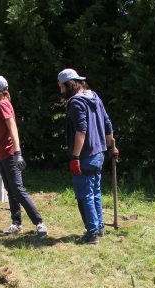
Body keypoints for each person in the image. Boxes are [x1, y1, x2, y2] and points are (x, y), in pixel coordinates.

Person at [0, 74, 47, 238]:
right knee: (11, 190)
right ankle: (16, 223)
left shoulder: (3, 104)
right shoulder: (1, 104)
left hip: (9, 154)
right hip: (1, 154)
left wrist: (18, 153)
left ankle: (39, 223)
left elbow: (13, 128)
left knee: (18, 189)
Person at [57, 68, 119, 244]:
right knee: (95, 193)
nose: (61, 91)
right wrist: (111, 146)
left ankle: (92, 233)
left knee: (85, 195)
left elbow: (81, 131)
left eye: (62, 87)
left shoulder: (76, 102)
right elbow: (107, 123)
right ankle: (99, 228)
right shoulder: (94, 96)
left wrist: (75, 157)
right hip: (99, 153)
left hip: (85, 155)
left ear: (70, 84)